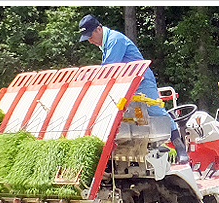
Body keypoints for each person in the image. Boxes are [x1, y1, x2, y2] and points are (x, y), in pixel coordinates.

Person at [78, 14, 189, 164]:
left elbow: (109, 69)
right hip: (127, 83)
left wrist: (88, 77)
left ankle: (180, 148)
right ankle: (151, 148)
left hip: (142, 81)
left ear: (98, 29)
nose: (89, 41)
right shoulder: (105, 43)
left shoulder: (114, 40)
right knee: (133, 117)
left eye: (90, 36)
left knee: (154, 110)